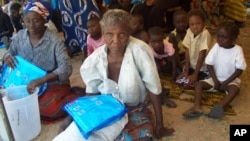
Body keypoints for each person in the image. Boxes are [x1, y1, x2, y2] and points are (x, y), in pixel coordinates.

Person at [57, 9, 175, 140]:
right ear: (103, 33)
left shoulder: (140, 51)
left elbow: (153, 88)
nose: (116, 40)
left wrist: (160, 124)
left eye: (122, 34)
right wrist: (76, 119)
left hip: (136, 108)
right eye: (109, 34)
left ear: (129, 33)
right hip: (106, 109)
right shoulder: (95, 60)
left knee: (144, 138)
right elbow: (92, 93)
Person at [3, 0, 81, 121]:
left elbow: (66, 67)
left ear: (45, 20)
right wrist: (7, 56)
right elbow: (10, 52)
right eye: (27, 20)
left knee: (49, 107)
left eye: (36, 20)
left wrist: (42, 79)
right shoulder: (20, 36)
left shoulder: (54, 41)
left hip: (49, 83)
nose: (31, 25)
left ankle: (76, 95)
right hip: (23, 80)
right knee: (6, 96)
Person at [183, 22, 247, 119]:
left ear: (233, 38)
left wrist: (226, 82)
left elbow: (239, 70)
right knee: (198, 84)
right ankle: (197, 106)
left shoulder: (238, 50)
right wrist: (215, 80)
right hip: (215, 78)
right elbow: (209, 64)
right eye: (219, 36)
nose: (220, 39)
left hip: (230, 80)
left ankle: (220, 106)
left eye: (224, 37)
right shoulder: (217, 47)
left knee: (234, 90)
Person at [176, 9, 212, 89]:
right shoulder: (189, 32)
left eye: (198, 23)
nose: (195, 27)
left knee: (191, 84)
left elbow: (202, 55)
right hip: (192, 66)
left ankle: (198, 80)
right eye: (192, 24)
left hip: (202, 68)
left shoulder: (205, 34)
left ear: (204, 23)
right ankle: (191, 77)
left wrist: (195, 74)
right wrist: (187, 70)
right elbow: (187, 50)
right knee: (179, 81)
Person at [148, 26, 177, 108]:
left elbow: (174, 61)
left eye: (159, 41)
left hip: (167, 56)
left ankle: (163, 96)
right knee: (156, 68)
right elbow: (152, 62)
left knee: (174, 65)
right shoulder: (148, 47)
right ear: (149, 41)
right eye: (154, 42)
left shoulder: (167, 46)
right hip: (157, 58)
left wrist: (173, 77)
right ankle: (162, 95)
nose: (157, 44)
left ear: (163, 39)